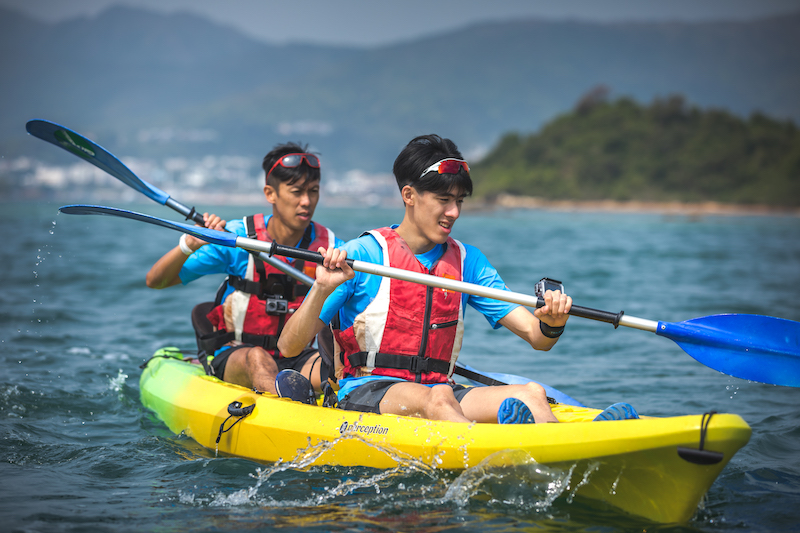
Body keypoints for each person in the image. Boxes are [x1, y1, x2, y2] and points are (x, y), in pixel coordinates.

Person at [277, 134, 639, 424]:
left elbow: (536, 337)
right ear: (409, 196)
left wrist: (553, 324)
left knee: (529, 393)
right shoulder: (364, 255)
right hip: (368, 392)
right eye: (443, 199)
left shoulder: (468, 262)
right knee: (438, 398)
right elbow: (289, 348)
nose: (454, 212)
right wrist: (323, 286)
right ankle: (500, 459)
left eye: (460, 201)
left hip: (440, 390)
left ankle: (571, 449)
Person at [146, 142, 344, 395]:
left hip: (298, 358)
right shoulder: (238, 238)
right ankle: (283, 408)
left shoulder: (329, 248)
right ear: (270, 194)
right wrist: (191, 243)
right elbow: (156, 280)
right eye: (296, 192)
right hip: (238, 354)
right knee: (258, 359)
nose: (306, 201)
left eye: (313, 191)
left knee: (335, 367)